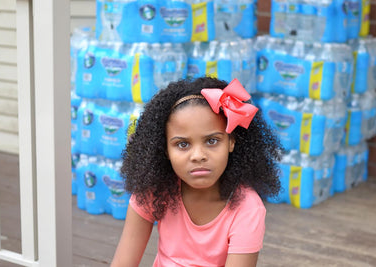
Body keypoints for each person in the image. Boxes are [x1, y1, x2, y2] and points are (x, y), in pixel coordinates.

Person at [111, 77, 282, 267]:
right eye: (182, 144)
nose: (198, 156)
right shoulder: (154, 191)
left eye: (212, 141)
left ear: (231, 141)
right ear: (165, 149)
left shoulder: (247, 209)